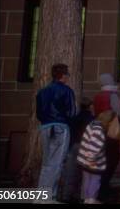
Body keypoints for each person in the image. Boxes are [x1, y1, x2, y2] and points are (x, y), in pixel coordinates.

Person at [36, 63, 77, 203]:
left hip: (45, 127)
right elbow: (72, 113)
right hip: (61, 126)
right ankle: (49, 197)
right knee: (57, 162)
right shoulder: (67, 91)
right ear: (63, 75)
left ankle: (41, 196)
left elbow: (39, 113)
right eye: (67, 75)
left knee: (47, 162)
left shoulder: (42, 91)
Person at [93, 73, 120, 200]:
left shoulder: (97, 96)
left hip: (99, 130)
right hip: (111, 131)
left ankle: (99, 186)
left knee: (102, 158)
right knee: (113, 158)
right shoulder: (113, 96)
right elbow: (118, 113)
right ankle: (104, 186)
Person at [76, 110, 116, 204]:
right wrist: (91, 160)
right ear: (109, 122)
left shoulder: (92, 125)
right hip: (93, 162)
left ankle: (86, 198)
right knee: (94, 181)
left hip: (84, 160)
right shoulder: (99, 131)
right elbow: (93, 148)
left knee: (86, 180)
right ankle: (91, 199)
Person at [61, 97, 94, 203]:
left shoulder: (75, 118)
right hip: (86, 146)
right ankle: (82, 196)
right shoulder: (92, 119)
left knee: (71, 172)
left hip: (74, 146)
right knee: (85, 174)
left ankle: (67, 195)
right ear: (90, 106)